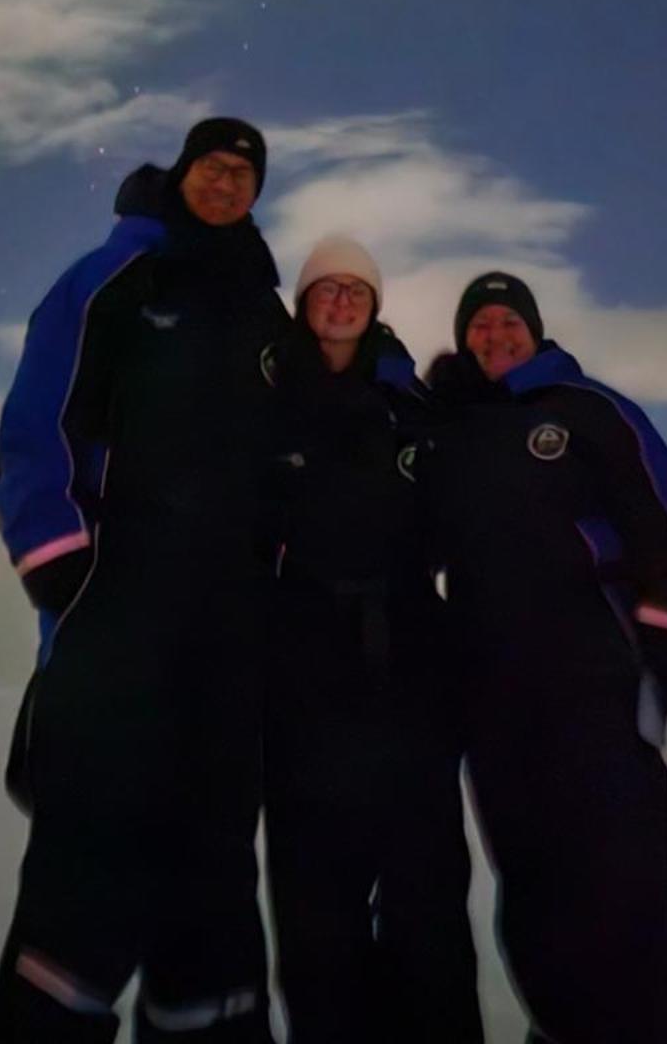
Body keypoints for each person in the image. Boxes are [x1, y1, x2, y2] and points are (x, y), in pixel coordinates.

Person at [0, 118, 287, 1044]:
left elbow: (318, 418)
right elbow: (36, 422)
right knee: (92, 854)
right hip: (117, 610)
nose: (227, 184)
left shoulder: (266, 312)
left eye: (244, 173)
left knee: (214, 859)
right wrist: (61, 567)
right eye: (213, 167)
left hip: (229, 629)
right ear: (181, 174)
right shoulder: (106, 280)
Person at [421, 272, 667, 1044]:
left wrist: (662, 663)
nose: (495, 335)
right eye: (479, 325)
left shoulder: (591, 410)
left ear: (536, 331)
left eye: (508, 321)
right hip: (494, 697)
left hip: (596, 687)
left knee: (619, 881)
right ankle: (558, 1026)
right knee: (530, 878)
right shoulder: (451, 432)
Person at [262, 237, 483, 1044]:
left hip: (408, 671)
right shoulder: (264, 394)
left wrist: (472, 407)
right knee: (316, 897)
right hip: (303, 673)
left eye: (358, 287)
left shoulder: (410, 401)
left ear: (375, 303)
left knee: (425, 887)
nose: (344, 299)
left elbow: (472, 491)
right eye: (328, 286)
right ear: (305, 301)